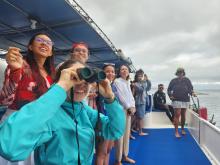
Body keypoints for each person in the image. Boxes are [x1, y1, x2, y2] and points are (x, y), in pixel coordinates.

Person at [0, 59, 125, 165]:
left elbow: (115, 130)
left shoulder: (83, 110)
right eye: (74, 78)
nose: (81, 84)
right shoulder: (48, 112)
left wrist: (110, 97)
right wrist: (61, 87)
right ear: (61, 80)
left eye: (86, 81)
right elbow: (10, 146)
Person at [0, 32, 55, 165]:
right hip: (16, 123)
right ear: (30, 47)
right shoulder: (20, 64)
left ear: (51, 52)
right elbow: (5, 100)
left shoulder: (51, 74)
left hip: (39, 126)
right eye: (40, 40)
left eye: (48, 43)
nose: (44, 43)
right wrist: (15, 71)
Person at [95, 63, 117, 165]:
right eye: (108, 71)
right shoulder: (98, 85)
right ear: (103, 73)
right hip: (102, 121)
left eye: (112, 71)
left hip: (111, 121)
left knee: (108, 150)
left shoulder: (112, 86)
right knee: (101, 152)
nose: (110, 73)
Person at [114, 64, 136, 164]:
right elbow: (120, 96)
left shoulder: (127, 82)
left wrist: (133, 106)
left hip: (129, 110)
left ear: (128, 72)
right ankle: (118, 160)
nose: (124, 71)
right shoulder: (117, 81)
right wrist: (129, 107)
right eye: (122, 69)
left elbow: (130, 95)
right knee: (120, 135)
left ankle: (125, 156)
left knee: (127, 133)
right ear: (119, 72)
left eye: (126, 69)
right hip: (121, 110)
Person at [167, 67, 196, 138]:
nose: (180, 74)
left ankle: (182, 129)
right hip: (176, 99)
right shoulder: (173, 80)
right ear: (177, 73)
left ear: (183, 73)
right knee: (177, 114)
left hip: (185, 99)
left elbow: (190, 89)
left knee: (183, 114)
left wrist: (192, 93)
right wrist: (170, 96)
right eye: (179, 72)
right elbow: (169, 90)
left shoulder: (187, 80)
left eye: (181, 72)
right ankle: (176, 132)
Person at [133, 69, 148, 136]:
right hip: (138, 102)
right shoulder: (136, 83)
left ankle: (137, 128)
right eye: (139, 76)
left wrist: (146, 80)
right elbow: (141, 90)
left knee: (138, 117)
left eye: (141, 75)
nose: (140, 77)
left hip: (142, 101)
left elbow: (145, 88)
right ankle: (140, 131)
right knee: (140, 117)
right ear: (136, 76)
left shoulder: (143, 83)